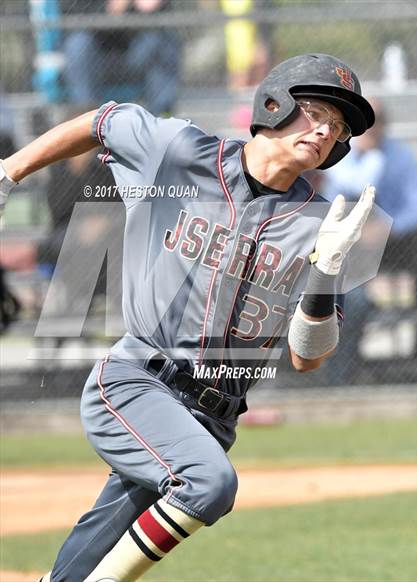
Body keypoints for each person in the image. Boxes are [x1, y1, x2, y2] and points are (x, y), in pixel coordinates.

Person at [1, 53, 377, 581]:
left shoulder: (321, 226)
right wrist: (9, 172)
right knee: (209, 485)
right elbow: (102, 121)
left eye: (336, 126)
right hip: (137, 382)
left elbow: (307, 357)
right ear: (274, 102)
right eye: (315, 110)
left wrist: (325, 270)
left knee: (78, 566)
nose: (324, 128)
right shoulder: (180, 152)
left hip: (214, 417)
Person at [322, 97, 417, 380]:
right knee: (352, 300)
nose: (370, 129)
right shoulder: (338, 157)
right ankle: (340, 378)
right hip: (349, 251)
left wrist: (387, 226)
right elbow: (328, 204)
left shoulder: (398, 156)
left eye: (376, 123)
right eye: (364, 123)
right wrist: (356, 228)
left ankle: (412, 365)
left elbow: (415, 207)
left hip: (395, 244)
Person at [61, 0, 181, 115]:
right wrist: (109, 9)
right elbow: (70, 13)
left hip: (134, 54)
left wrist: (152, 8)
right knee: (78, 43)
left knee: (162, 41)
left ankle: (161, 117)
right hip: (96, 59)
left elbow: (163, 11)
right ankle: (88, 119)